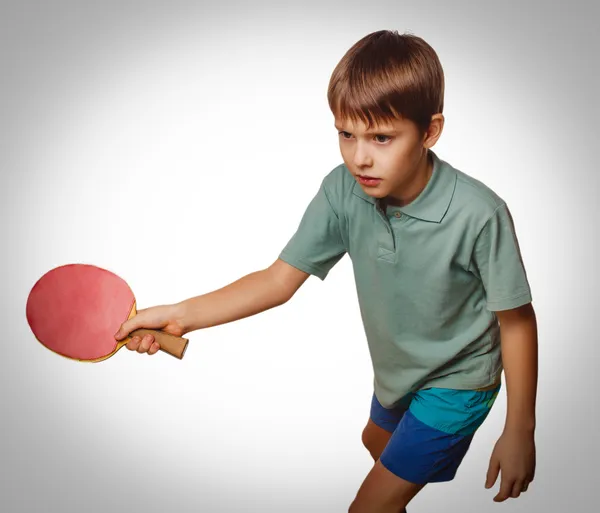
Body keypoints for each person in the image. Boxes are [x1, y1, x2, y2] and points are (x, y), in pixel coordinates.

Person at [114, 29, 537, 513]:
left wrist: (519, 428)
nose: (360, 156)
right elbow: (277, 280)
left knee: (368, 506)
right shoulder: (343, 191)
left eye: (382, 137)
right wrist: (179, 316)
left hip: (460, 379)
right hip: (399, 375)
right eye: (346, 134)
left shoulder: (479, 213)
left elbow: (517, 321)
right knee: (376, 443)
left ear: (430, 131)